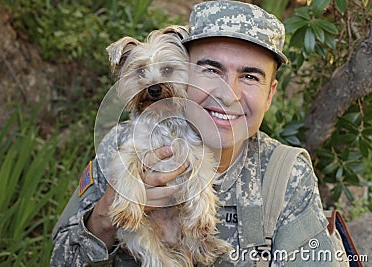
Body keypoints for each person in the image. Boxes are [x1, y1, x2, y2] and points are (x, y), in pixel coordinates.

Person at [51, 1, 342, 266]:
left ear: (270, 95)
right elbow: (60, 260)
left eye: (250, 76)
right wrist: (104, 218)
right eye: (212, 71)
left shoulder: (285, 175)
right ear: (184, 75)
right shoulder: (119, 147)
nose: (228, 96)